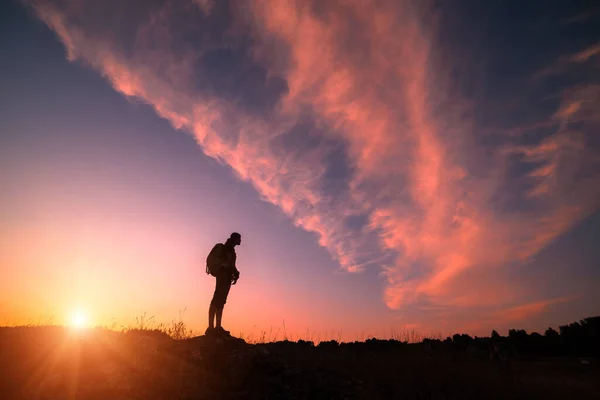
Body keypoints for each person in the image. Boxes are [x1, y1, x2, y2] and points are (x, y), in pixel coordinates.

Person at [206, 232, 241, 336]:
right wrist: (223, 264)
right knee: (217, 298)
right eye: (239, 239)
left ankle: (218, 327)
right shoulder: (222, 248)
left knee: (222, 300)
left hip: (227, 277)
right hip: (222, 275)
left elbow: (232, 265)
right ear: (235, 239)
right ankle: (211, 328)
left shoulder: (232, 252)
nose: (240, 241)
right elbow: (218, 261)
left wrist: (236, 273)